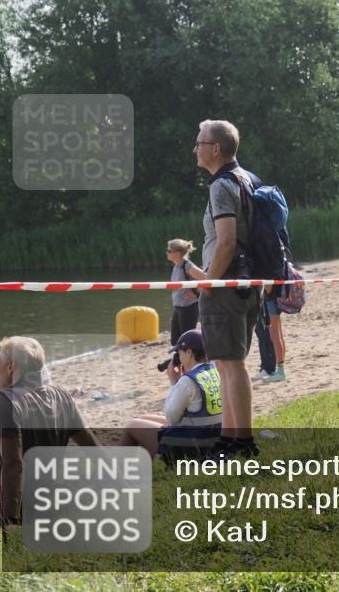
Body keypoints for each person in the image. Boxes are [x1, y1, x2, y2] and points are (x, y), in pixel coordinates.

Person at [194, 119, 261, 457]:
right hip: (247, 285)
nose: (195, 149)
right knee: (226, 362)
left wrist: (207, 282)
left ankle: (244, 443)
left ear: (215, 149)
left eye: (199, 143)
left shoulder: (221, 185)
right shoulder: (247, 179)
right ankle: (228, 438)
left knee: (232, 364)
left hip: (225, 286)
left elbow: (226, 242)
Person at [0, 337, 98, 529]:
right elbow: (92, 447)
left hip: (0, 503)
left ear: (10, 367)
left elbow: (14, 465)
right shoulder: (61, 395)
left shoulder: (2, 401)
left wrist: (10, 522)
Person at [121, 330, 223, 459]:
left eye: (179, 352)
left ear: (189, 352)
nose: (178, 357)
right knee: (143, 418)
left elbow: (171, 417)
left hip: (195, 445)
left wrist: (174, 382)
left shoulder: (188, 381)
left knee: (132, 425)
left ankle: (118, 472)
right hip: (215, 436)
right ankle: (150, 469)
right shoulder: (216, 370)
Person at [166, 238, 205, 345]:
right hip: (178, 307)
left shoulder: (187, 266)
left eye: (169, 251)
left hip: (189, 307)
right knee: (175, 341)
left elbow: (207, 279)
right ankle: (179, 361)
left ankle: (191, 360)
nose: (167, 253)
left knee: (186, 340)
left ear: (177, 253)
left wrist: (196, 293)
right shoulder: (176, 266)